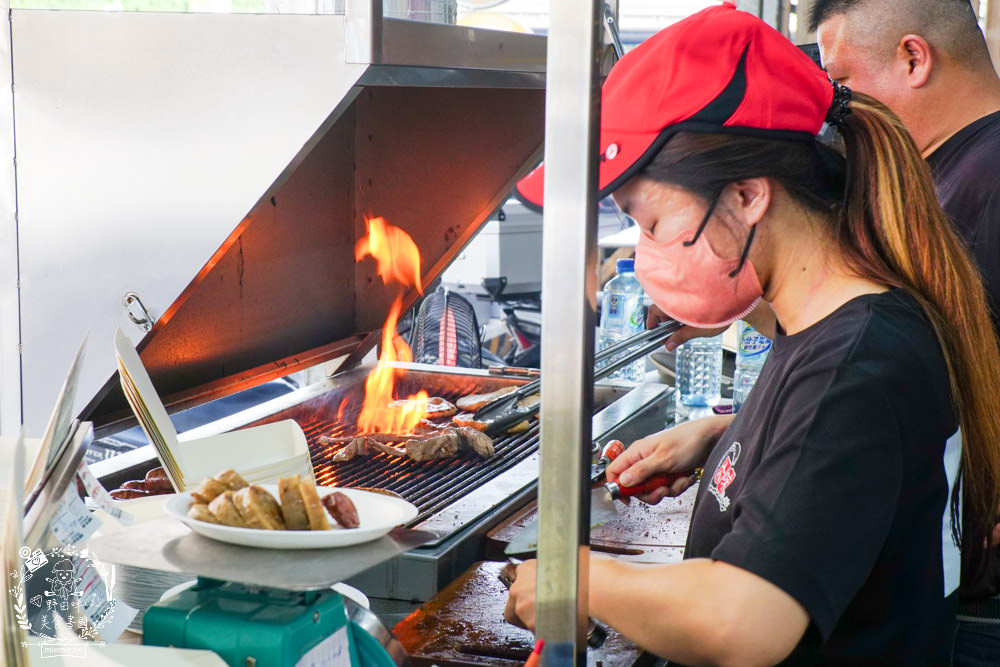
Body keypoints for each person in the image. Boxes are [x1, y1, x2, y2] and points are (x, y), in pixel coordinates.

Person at [505, 2, 1000, 664]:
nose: (646, 253)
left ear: (747, 195)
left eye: (650, 223)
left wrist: (577, 578)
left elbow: (746, 618)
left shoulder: (855, 361)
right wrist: (726, 442)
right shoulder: (824, 326)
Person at [809, 2, 1000, 663]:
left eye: (841, 81)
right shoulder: (942, 174)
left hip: (979, 605)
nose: (836, 108)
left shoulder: (991, 178)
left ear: (914, 58)